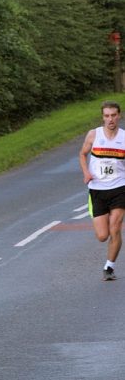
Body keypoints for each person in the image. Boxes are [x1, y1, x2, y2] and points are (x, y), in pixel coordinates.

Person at [80, 100, 125, 281]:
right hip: (97, 190)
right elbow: (82, 154)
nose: (110, 119)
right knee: (102, 236)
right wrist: (86, 172)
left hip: (119, 188)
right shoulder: (93, 135)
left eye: (113, 115)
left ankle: (109, 267)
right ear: (103, 117)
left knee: (115, 228)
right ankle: (112, 242)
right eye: (107, 116)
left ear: (119, 116)